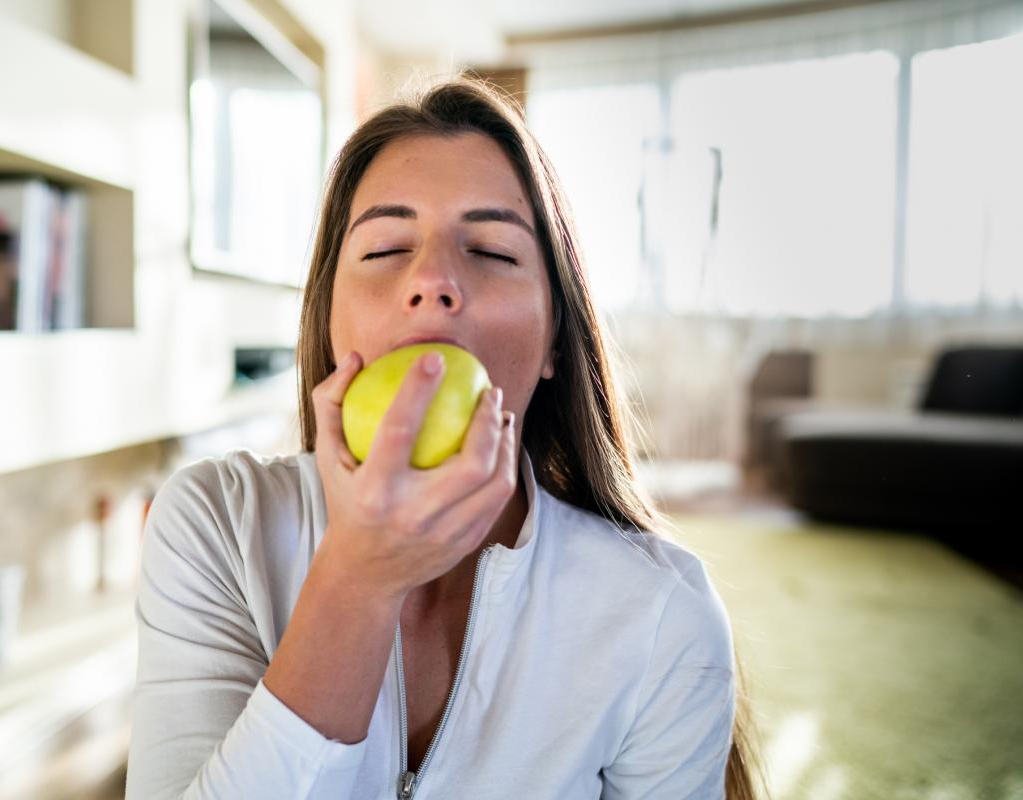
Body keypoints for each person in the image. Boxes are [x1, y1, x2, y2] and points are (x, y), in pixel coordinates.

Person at [125, 77, 766, 799]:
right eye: (386, 248)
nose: (433, 280)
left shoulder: (664, 615)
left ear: (556, 340)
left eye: (492, 250)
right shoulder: (212, 521)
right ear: (329, 322)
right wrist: (356, 583)